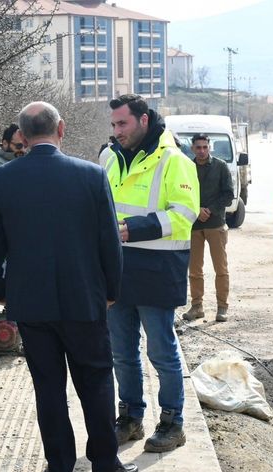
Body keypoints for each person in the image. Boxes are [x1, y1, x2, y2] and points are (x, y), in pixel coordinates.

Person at [0, 102, 138, 472]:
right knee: (97, 381)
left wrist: (5, 292)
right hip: (85, 299)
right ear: (61, 129)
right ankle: (104, 464)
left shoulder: (4, 178)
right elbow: (109, 243)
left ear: (23, 135)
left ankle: (60, 469)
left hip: (31, 304)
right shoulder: (91, 175)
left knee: (48, 386)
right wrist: (112, 291)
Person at [98, 94, 199, 453]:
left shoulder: (175, 160)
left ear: (143, 120)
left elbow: (185, 214)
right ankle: (130, 419)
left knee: (162, 353)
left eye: (122, 123)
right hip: (117, 272)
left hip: (157, 271)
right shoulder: (108, 157)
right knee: (121, 352)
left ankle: (172, 423)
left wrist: (133, 228)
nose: (116, 131)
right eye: (113, 125)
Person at [182, 133, 234, 323]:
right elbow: (181, 194)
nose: (202, 151)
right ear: (192, 148)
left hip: (215, 224)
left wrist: (210, 210)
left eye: (205, 147)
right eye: (198, 147)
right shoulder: (186, 167)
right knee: (194, 269)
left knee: (221, 268)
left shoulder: (220, 166)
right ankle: (197, 307)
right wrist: (196, 211)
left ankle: (222, 308)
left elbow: (228, 194)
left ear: (209, 147)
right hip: (193, 225)